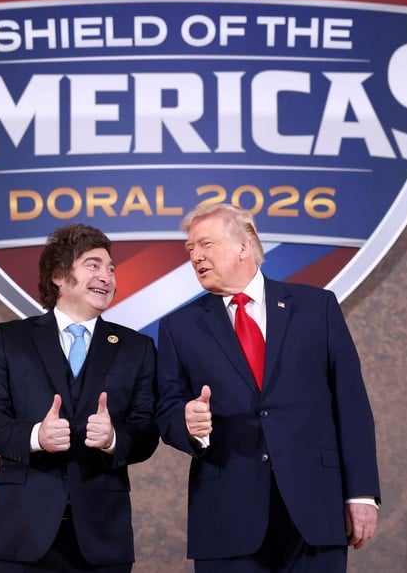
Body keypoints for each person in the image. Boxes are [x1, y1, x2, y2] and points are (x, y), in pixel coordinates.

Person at [156, 204, 380, 572]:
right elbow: (166, 411)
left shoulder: (316, 307)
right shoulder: (179, 327)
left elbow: (351, 404)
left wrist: (361, 493)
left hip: (316, 510)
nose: (195, 256)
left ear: (245, 246)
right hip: (227, 516)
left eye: (205, 244)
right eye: (190, 249)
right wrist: (187, 424)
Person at [0, 224, 159, 573]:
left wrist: (115, 438)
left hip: (102, 537)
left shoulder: (137, 348)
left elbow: (147, 430)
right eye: (93, 265)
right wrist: (35, 436)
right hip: (21, 535)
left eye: (111, 268)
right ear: (59, 276)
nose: (107, 276)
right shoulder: (8, 340)